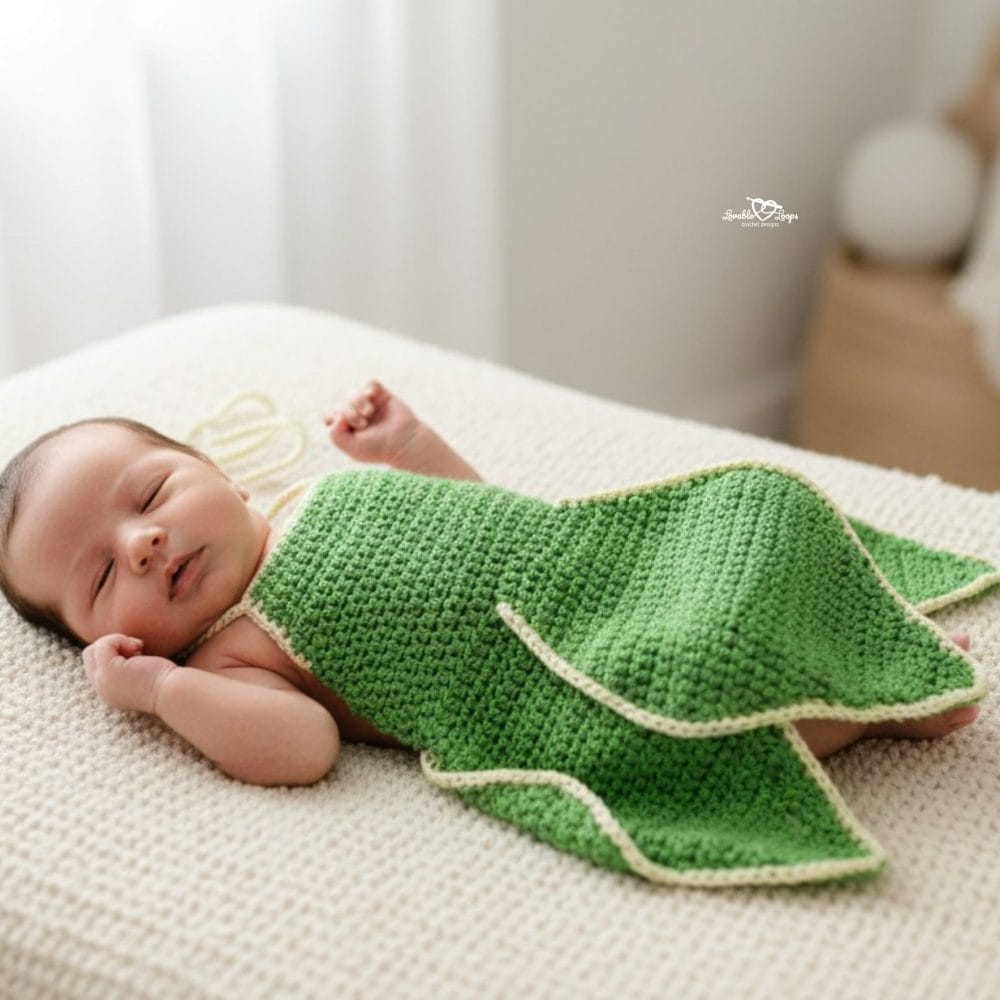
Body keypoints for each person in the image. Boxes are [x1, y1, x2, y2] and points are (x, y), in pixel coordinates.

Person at [0, 380, 987, 885]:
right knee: (685, 682)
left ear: (211, 466)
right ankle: (874, 702)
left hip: (587, 562)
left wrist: (409, 446)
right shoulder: (232, 649)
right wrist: (163, 693)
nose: (141, 544)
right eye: (101, 575)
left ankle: (858, 625)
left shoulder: (312, 494)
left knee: (755, 506)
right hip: (534, 674)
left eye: (150, 495)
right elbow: (300, 748)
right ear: (104, 639)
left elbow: (478, 510)